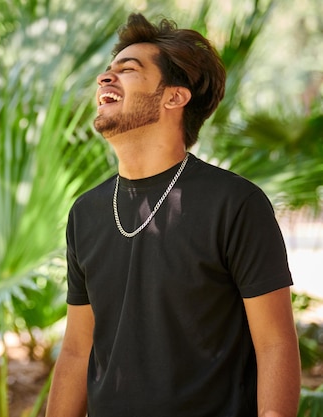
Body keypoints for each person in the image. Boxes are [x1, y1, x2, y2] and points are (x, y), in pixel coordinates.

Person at [46, 13, 301, 417]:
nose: (104, 79)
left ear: (174, 97)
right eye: (107, 71)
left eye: (128, 70)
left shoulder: (235, 203)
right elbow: (78, 349)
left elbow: (275, 343)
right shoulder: (86, 212)